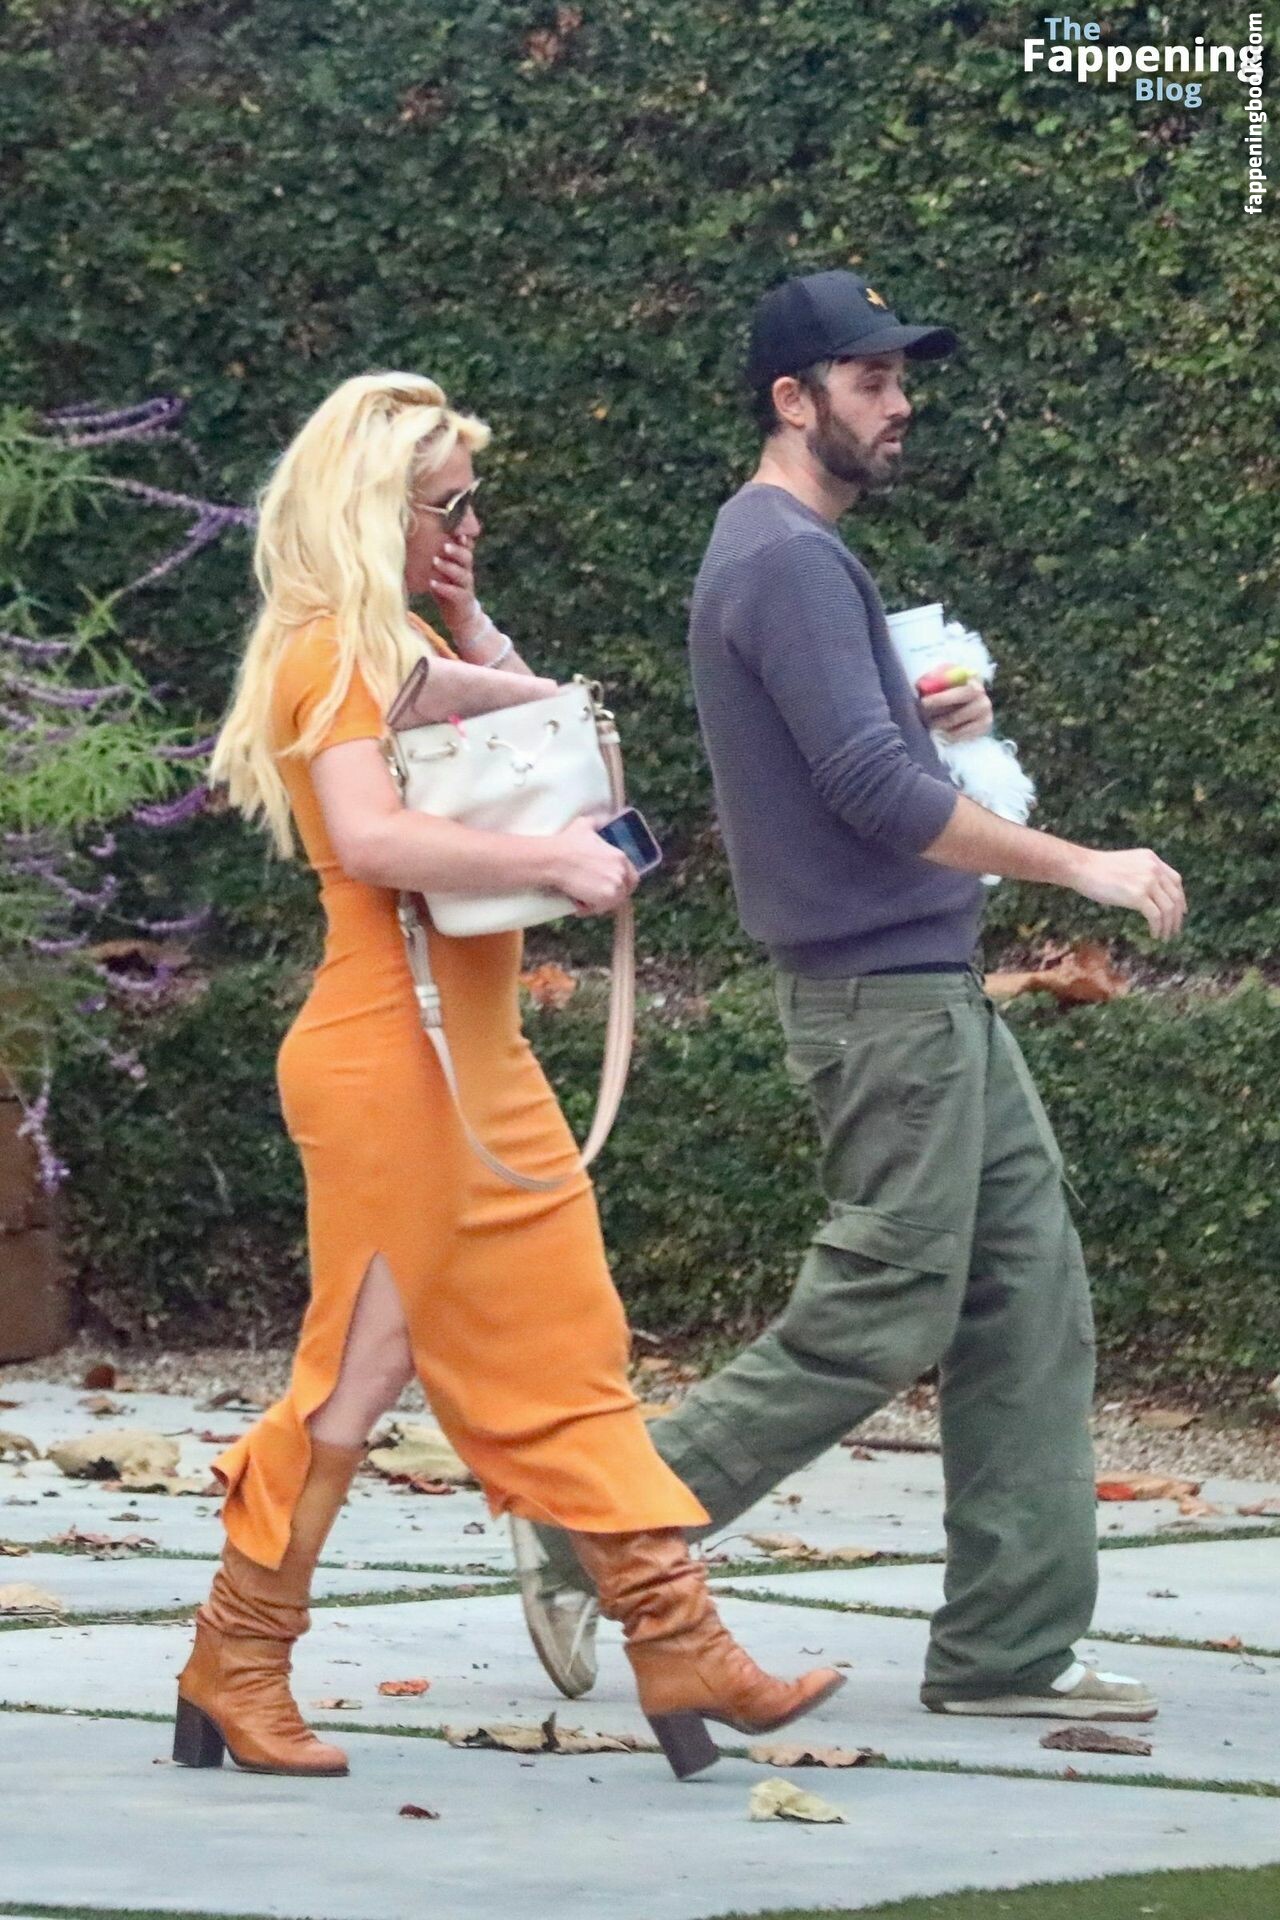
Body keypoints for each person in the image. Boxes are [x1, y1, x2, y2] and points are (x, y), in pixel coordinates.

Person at [512, 271, 1186, 1723]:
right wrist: (1084, 866)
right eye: (871, 380)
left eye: (902, 378)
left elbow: (868, 758)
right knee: (878, 1313)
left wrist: (942, 719)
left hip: (924, 989)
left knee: (1027, 1301)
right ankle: (591, 1528)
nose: (900, 404)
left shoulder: (794, 556)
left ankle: (1008, 1647)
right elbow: (876, 796)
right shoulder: (784, 559)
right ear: (791, 398)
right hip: (884, 1000)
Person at [176, 371, 843, 1783]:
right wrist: (547, 861)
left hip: (472, 1060)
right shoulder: (329, 652)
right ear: (379, 512)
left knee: (568, 1346)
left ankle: (678, 1636)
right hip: (389, 1060)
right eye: (448, 504)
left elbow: (551, 723)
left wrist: (471, 618)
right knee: (355, 1380)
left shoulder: (397, 646)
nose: (468, 522)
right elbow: (371, 838)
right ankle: (237, 1657)